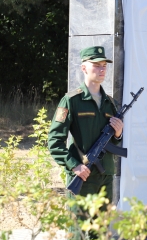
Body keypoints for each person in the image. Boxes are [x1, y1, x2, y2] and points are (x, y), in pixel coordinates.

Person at [47, 46, 124, 202]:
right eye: (96, 65)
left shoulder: (111, 104)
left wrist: (118, 133)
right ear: (84, 68)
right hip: (82, 175)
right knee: (79, 225)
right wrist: (74, 165)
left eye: (104, 66)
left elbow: (115, 142)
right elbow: (54, 141)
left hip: (106, 176)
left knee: (102, 226)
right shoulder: (72, 100)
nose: (101, 69)